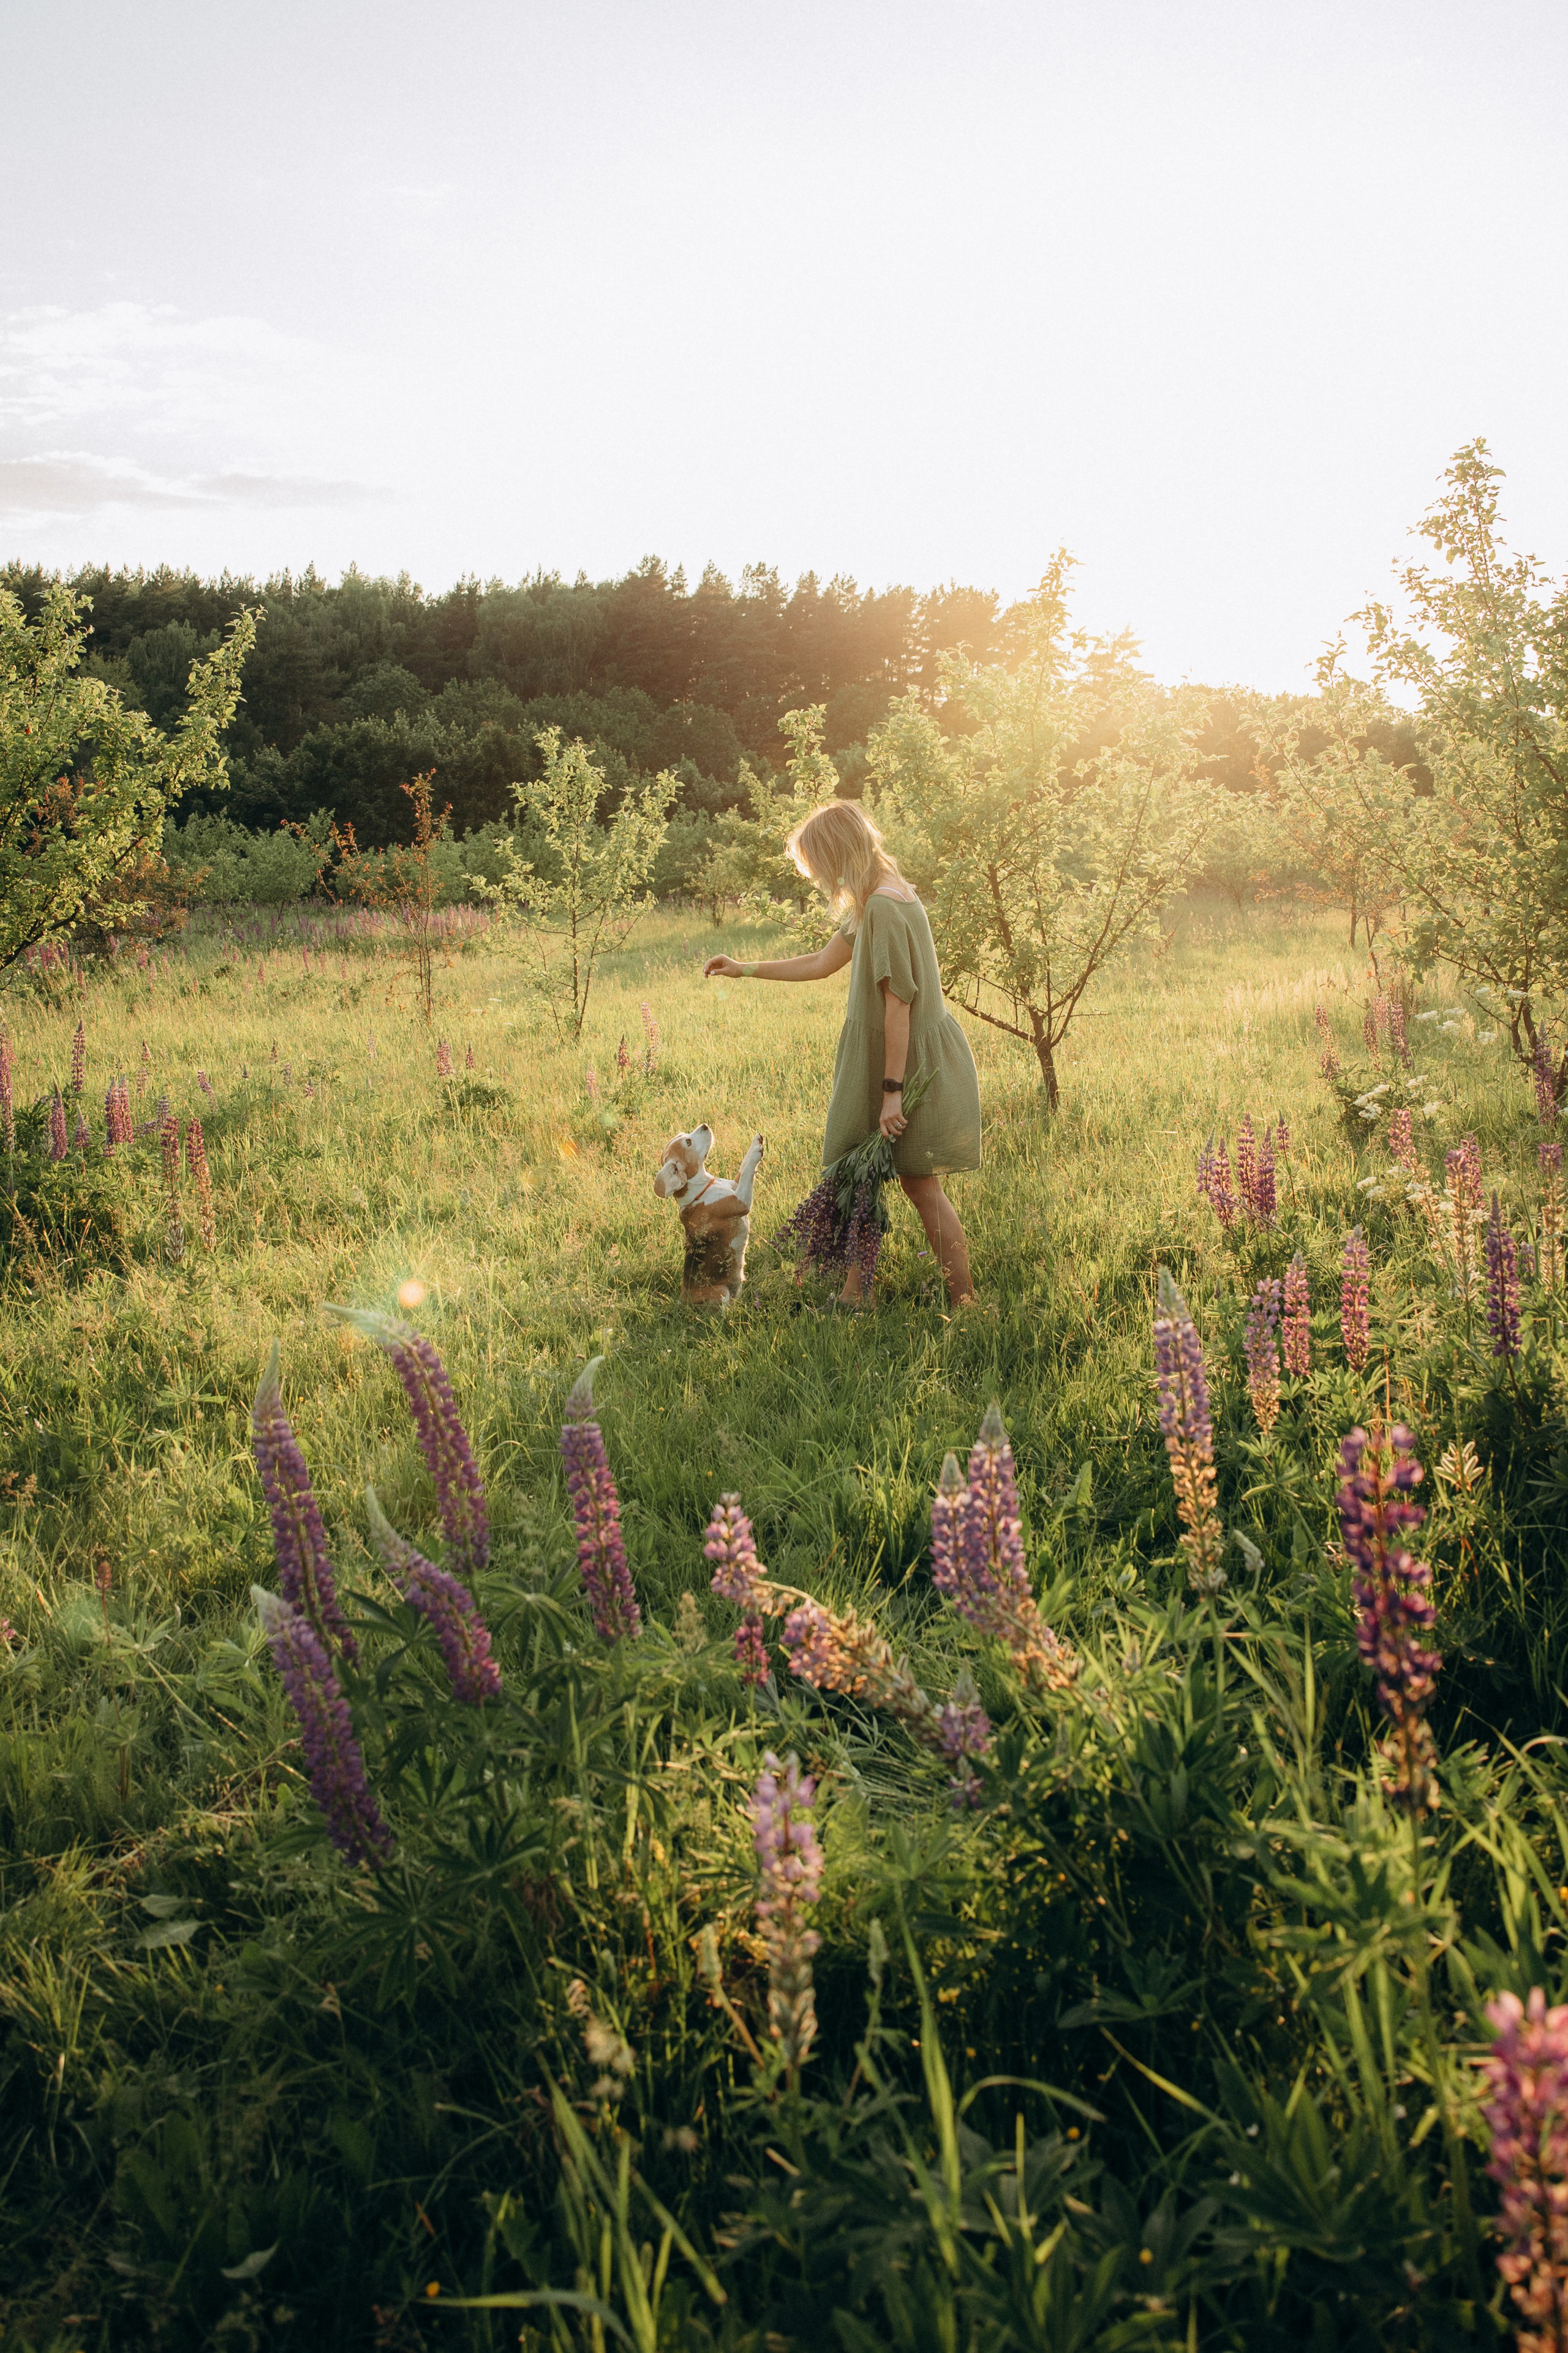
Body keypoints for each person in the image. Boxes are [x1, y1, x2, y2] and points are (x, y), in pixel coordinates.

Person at [703, 799, 980, 1305]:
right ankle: (857, 1294)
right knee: (860, 1176)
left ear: (837, 855)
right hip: (889, 1057)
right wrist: (744, 968)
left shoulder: (884, 907)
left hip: (902, 1064)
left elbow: (899, 1005)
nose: (818, 878)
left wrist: (891, 1093)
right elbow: (820, 962)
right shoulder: (878, 896)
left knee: (920, 1187)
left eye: (819, 865)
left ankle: (965, 1301)